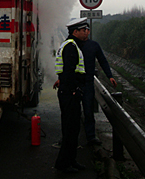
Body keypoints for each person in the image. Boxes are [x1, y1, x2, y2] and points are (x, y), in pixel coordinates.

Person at [54, 18, 89, 173]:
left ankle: (70, 160)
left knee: (72, 129)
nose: (87, 32)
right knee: (70, 129)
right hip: (70, 94)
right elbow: (69, 71)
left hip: (67, 91)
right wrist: (73, 89)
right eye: (84, 30)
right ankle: (63, 164)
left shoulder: (69, 45)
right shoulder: (71, 47)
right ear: (75, 32)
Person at [81, 29, 117, 146]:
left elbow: (103, 61)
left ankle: (90, 136)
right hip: (75, 82)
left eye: (87, 30)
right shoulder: (73, 45)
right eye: (83, 30)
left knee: (88, 111)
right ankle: (70, 136)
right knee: (73, 112)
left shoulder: (94, 45)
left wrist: (109, 76)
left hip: (88, 82)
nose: (85, 33)